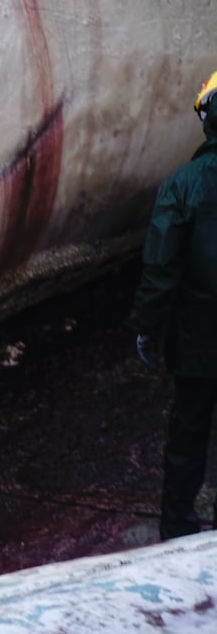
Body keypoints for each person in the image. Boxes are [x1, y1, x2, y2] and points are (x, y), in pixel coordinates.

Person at [128, 71, 217, 541]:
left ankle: (179, 530)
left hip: (197, 341)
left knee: (187, 437)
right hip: (197, 340)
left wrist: (147, 326)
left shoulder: (182, 186)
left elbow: (160, 269)